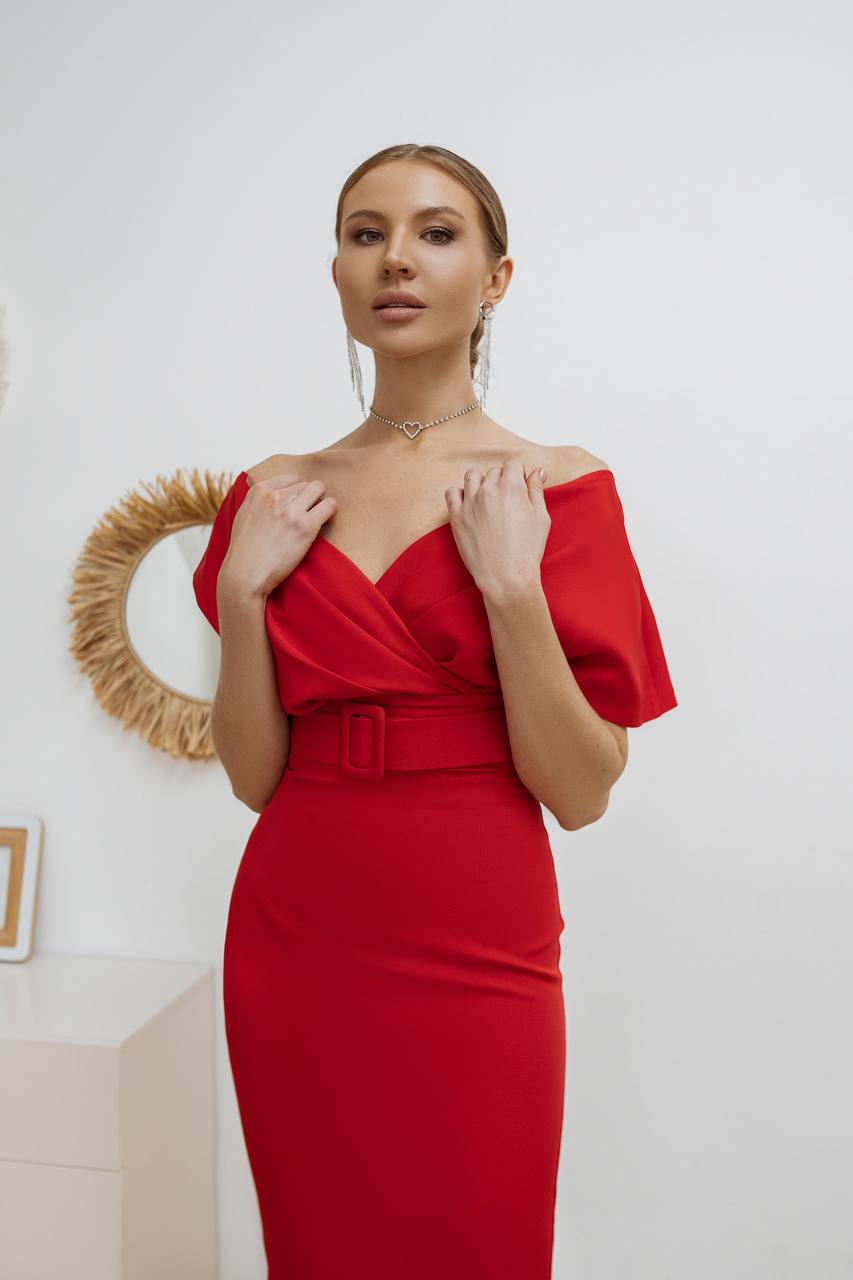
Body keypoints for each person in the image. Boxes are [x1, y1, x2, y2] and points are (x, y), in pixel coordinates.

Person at [192, 142, 678, 1279]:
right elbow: (254, 778)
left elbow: (582, 790)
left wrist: (511, 589)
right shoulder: (270, 493)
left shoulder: (557, 487)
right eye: (365, 234)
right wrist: (241, 593)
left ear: (495, 278)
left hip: (478, 932)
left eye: (436, 232)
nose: (396, 260)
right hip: (298, 933)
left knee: (479, 1235)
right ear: (336, 273)